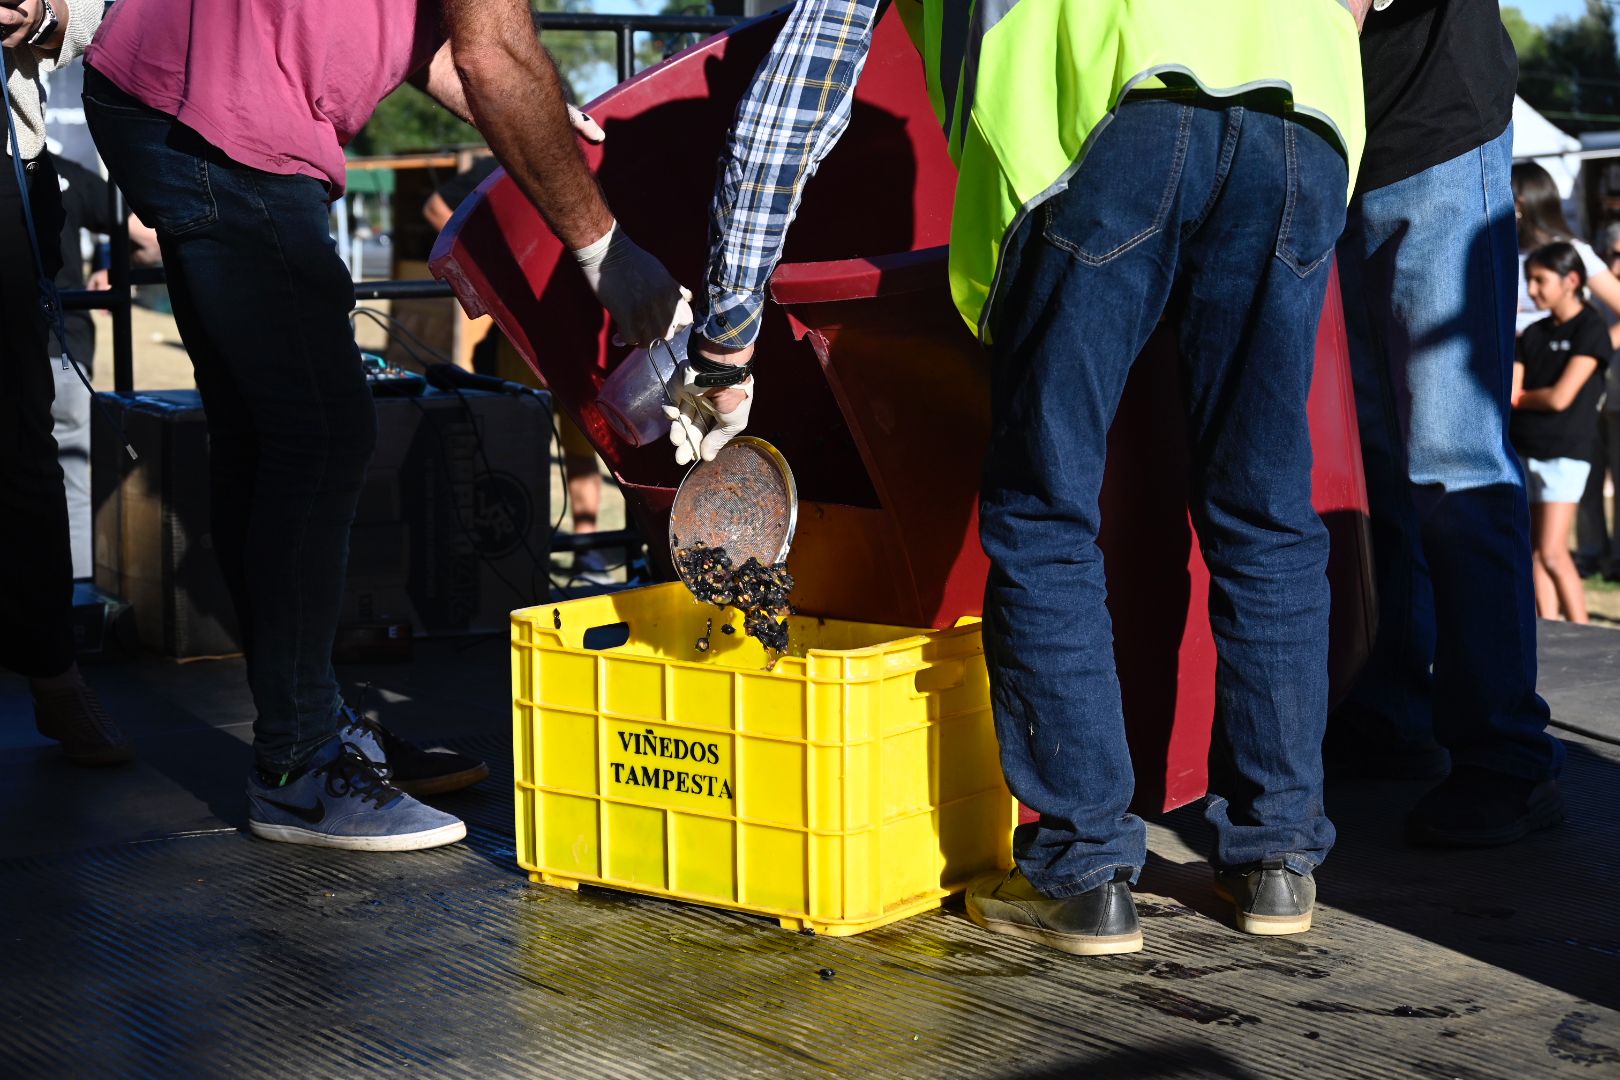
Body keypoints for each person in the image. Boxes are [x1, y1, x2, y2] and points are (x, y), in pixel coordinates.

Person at [681, 0, 1368, 953]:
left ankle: (1084, 871)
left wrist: (724, 340)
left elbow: (792, 104)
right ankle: (1278, 861)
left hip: (1107, 114)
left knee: (1047, 509)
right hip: (1305, 115)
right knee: (1263, 506)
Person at [82, 0, 693, 851]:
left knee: (266, 436)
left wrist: (535, 113)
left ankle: (309, 724)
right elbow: (494, 57)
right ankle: (297, 768)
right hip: (220, 113)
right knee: (320, 436)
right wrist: (605, 251)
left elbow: (414, 42)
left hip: (169, 90)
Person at [1332, 0, 1565, 847]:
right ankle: (1394, 710)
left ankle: (1505, 752)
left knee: (1453, 452)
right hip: (1332, 144)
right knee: (1372, 454)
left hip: (1434, 131)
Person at [2, 0, 133, 766]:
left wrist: (44, 14)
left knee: (21, 443)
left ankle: (55, 675)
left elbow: (98, 13)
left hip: (7, 177)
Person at [423, 155, 618, 585]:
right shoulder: (503, 163)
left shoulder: (592, 164)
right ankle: (514, 545)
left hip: (578, 337)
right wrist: (484, 272)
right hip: (522, 339)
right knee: (510, 445)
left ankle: (585, 550)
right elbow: (437, 206)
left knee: (584, 449)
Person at [47, 150, 158, 578]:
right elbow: (151, 237)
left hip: (39, 347)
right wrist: (118, 270)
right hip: (62, 348)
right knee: (71, 485)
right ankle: (77, 608)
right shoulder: (61, 172)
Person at [1512, 243, 1608, 624]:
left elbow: (1560, 397)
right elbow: (1511, 394)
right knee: (1535, 551)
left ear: (1571, 280)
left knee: (1553, 551)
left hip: (1566, 453)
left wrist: (1524, 397)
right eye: (1529, 280)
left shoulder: (1592, 328)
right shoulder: (1531, 332)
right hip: (1526, 448)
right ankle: (1548, 631)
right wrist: (1525, 397)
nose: (1532, 290)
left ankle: (1585, 633)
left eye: (1540, 280)